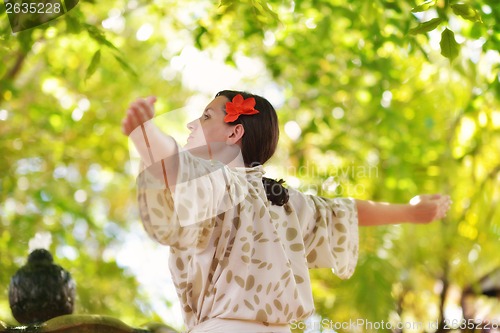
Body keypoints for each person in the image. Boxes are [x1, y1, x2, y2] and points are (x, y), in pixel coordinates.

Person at [121, 90, 451, 333]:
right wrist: (410, 212)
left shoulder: (218, 182)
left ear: (235, 133)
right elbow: (345, 211)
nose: (193, 123)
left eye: (206, 116)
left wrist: (145, 133)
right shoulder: (285, 202)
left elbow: (170, 164)